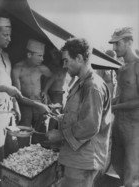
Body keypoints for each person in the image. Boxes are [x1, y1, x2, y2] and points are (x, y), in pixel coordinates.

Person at [46, 38, 111, 187]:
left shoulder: (92, 86)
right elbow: (80, 115)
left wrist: (60, 135)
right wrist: (62, 117)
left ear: (80, 58)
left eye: (66, 60)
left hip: (83, 160)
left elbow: (90, 125)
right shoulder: (80, 82)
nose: (64, 65)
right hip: (75, 156)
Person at [0, 17, 23, 186]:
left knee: (11, 149)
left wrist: (15, 103)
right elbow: (4, 85)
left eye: (10, 35)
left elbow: (8, 83)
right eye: (5, 35)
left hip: (8, 108)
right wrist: (3, 88)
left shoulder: (7, 56)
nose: (9, 39)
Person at [109, 27, 139, 187]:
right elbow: (123, 94)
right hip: (119, 124)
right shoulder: (121, 68)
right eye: (113, 44)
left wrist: (116, 107)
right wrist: (110, 102)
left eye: (117, 44)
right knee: (116, 161)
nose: (114, 48)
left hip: (134, 128)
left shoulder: (137, 66)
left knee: (132, 171)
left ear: (129, 43)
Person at [12, 39, 53, 146]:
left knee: (40, 134)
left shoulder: (41, 68)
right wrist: (38, 105)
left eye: (43, 56)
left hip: (39, 102)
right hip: (25, 104)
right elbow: (19, 96)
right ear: (29, 54)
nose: (42, 59)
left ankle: (38, 157)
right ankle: (23, 155)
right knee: (24, 133)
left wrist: (45, 90)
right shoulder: (18, 68)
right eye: (39, 56)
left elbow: (52, 77)